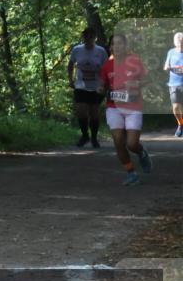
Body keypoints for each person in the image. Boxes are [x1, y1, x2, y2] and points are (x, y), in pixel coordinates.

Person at [99, 33, 152, 185]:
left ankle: (141, 152)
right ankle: (131, 173)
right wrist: (100, 88)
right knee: (118, 141)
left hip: (133, 106)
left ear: (126, 46)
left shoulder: (134, 61)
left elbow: (147, 80)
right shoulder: (107, 66)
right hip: (113, 107)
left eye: (121, 44)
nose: (118, 47)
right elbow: (102, 84)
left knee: (132, 144)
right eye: (114, 44)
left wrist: (136, 85)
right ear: (111, 48)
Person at [67, 27, 108, 148]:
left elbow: (106, 69)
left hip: (96, 86)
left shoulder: (101, 51)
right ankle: (85, 136)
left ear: (94, 38)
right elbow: (70, 65)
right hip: (80, 85)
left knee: (94, 113)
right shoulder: (77, 50)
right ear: (83, 37)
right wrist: (70, 79)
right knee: (81, 111)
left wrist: (105, 84)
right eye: (85, 36)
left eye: (90, 36)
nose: (88, 39)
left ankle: (94, 138)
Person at [164, 32, 183, 137]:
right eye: (178, 42)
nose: (180, 44)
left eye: (182, 42)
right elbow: (166, 65)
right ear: (175, 42)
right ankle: (180, 123)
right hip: (174, 84)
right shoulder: (171, 52)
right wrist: (167, 67)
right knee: (176, 107)